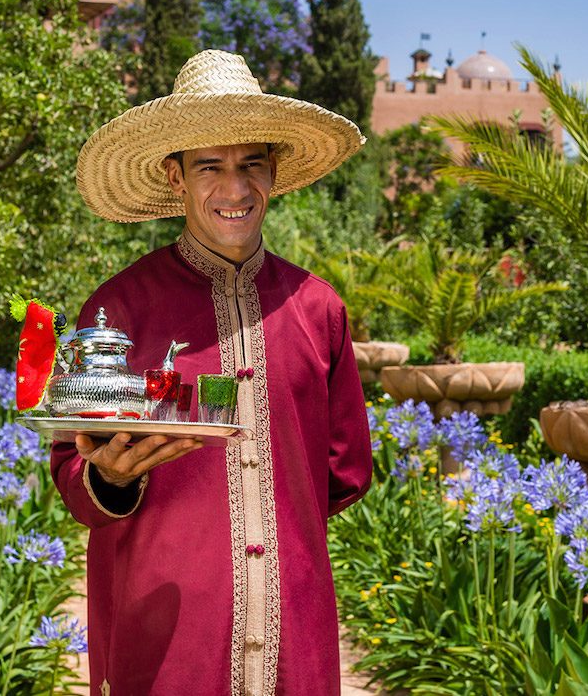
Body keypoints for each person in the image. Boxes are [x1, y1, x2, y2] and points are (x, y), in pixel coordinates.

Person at [50, 49, 374, 695]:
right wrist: (110, 480)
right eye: (210, 166)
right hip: (165, 643)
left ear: (274, 173)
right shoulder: (118, 312)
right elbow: (71, 469)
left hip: (294, 636)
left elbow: (342, 475)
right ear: (175, 177)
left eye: (252, 163)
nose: (234, 188)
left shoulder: (318, 310)